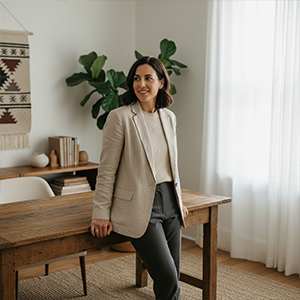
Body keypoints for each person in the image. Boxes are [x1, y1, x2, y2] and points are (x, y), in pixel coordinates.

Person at [90, 56, 188, 300]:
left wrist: (179, 200)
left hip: (171, 203)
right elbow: (107, 169)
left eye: (148, 78)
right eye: (136, 78)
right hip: (140, 206)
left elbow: (171, 165)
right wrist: (100, 212)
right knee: (166, 277)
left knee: (172, 276)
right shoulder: (120, 117)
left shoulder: (169, 117)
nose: (141, 84)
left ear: (161, 82)